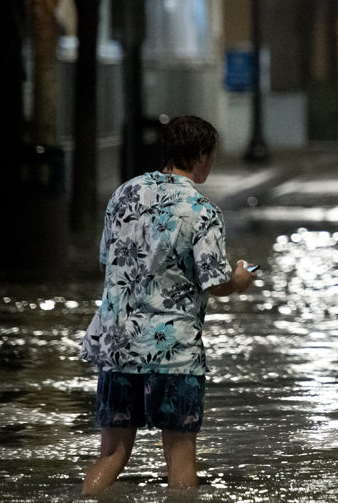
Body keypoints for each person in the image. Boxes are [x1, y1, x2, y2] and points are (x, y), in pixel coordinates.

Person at [80, 115, 256, 494]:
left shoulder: (124, 194)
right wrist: (240, 280)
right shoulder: (201, 209)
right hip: (174, 354)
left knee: (110, 455)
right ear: (203, 156)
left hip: (118, 347)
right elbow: (217, 281)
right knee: (180, 458)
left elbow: (104, 264)